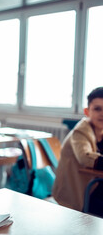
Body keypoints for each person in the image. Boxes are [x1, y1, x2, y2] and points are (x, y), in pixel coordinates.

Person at [53, 87, 103, 217]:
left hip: (93, 185)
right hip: (78, 191)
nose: (102, 114)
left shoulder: (101, 130)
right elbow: (85, 158)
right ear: (87, 111)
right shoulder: (80, 131)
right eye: (97, 109)